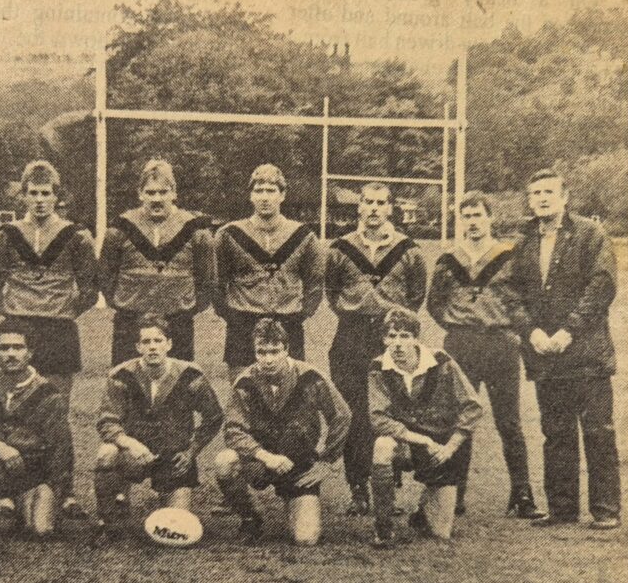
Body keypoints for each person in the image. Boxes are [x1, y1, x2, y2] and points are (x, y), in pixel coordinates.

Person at [0, 160, 97, 517]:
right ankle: (7, 492)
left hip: (59, 331)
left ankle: (65, 492)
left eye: (46, 193)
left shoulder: (76, 235)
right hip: (18, 329)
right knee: (9, 411)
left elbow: (90, 288)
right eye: (33, 193)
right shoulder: (5, 235)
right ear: (24, 196)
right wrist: (14, 311)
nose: (40, 200)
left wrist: (64, 311)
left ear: (56, 197)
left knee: (57, 414)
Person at [508, 169, 622, 530]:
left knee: (597, 432)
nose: (542, 198)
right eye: (535, 192)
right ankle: (561, 509)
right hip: (546, 356)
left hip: (586, 354)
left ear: (565, 196)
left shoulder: (591, 234)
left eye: (549, 192)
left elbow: (601, 286)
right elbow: (512, 293)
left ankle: (605, 510)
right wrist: (532, 331)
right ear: (529, 200)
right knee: (556, 433)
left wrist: (569, 330)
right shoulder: (524, 240)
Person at [428, 192, 544, 519]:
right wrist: (461, 323)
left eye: (478, 214)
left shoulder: (510, 255)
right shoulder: (448, 259)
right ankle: (455, 493)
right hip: (462, 343)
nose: (473, 222)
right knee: (458, 419)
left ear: (490, 217)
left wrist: (500, 323)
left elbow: (527, 298)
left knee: (509, 420)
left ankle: (522, 495)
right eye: (466, 216)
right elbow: (435, 303)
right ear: (460, 221)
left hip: (501, 343)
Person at [324, 181, 428, 516]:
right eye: (367, 202)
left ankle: (388, 485)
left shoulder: (408, 248)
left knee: (390, 411)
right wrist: (354, 310)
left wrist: (394, 322)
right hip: (351, 335)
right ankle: (357, 488)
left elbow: (416, 294)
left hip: (390, 335)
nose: (373, 208)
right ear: (359, 206)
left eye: (380, 202)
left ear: (389, 208)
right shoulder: (341, 247)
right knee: (353, 412)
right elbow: (332, 290)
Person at [215, 318, 350, 546]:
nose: (267, 359)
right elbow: (233, 430)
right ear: (254, 351)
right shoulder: (245, 382)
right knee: (224, 461)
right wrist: (266, 457)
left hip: (299, 464)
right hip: (261, 461)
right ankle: (251, 516)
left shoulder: (310, 377)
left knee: (306, 539)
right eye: (261, 352)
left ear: (286, 349)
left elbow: (342, 415)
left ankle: (294, 501)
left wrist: (327, 461)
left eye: (274, 351)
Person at [92, 314, 223, 544]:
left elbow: (214, 417)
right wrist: (129, 443)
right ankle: (109, 521)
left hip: (173, 458)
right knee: (106, 454)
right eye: (146, 342)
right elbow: (106, 421)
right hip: (134, 455)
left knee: (177, 526)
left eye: (158, 340)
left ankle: (165, 496)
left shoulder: (190, 375)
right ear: (137, 347)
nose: (152, 347)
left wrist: (191, 451)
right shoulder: (121, 375)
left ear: (169, 344)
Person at [367, 308, 482, 547]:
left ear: (416, 338)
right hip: (406, 442)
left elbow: (472, 406)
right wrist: (419, 439)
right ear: (383, 339)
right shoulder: (378, 367)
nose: (397, 344)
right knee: (382, 445)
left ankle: (424, 509)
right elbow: (378, 418)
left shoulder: (441, 362)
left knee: (440, 533)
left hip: (439, 447)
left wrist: (450, 448)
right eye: (391, 336)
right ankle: (383, 528)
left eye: (405, 336)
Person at [0, 318, 73, 537]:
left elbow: (61, 448)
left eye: (18, 347)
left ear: (30, 352)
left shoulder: (48, 393)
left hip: (32, 470)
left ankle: (21, 500)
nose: (11, 354)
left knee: (41, 530)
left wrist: (56, 490)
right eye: (4, 348)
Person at [99, 158, 216, 366]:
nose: (157, 198)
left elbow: (207, 280)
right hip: (131, 320)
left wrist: (185, 307)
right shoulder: (120, 228)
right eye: (150, 192)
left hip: (177, 321)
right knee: (127, 385)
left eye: (163, 192)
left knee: (177, 388)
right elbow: (106, 277)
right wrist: (126, 303)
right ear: (140, 193)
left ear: (174, 193)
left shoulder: (196, 230)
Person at [214, 164, 325, 374]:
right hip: (243, 321)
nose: (265, 197)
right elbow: (215, 282)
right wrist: (232, 316)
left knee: (289, 395)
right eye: (259, 190)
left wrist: (299, 314)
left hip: (287, 321)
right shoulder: (229, 234)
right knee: (243, 392)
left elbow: (315, 283)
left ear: (282, 195)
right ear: (250, 196)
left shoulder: (303, 236)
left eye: (271, 190)